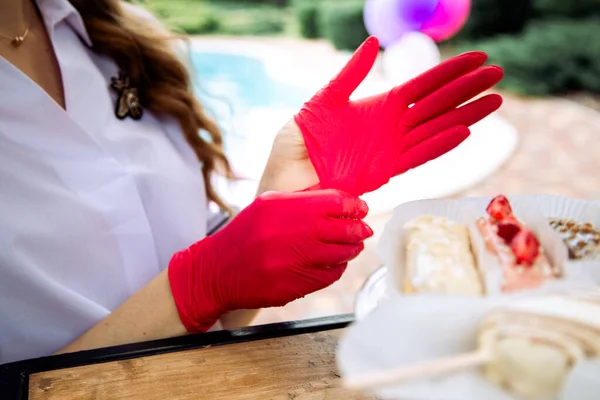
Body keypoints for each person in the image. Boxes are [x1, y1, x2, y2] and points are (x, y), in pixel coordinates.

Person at [0, 0, 503, 364]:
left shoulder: (115, 35)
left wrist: (274, 200)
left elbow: (221, 309)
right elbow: (202, 280)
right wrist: (195, 286)